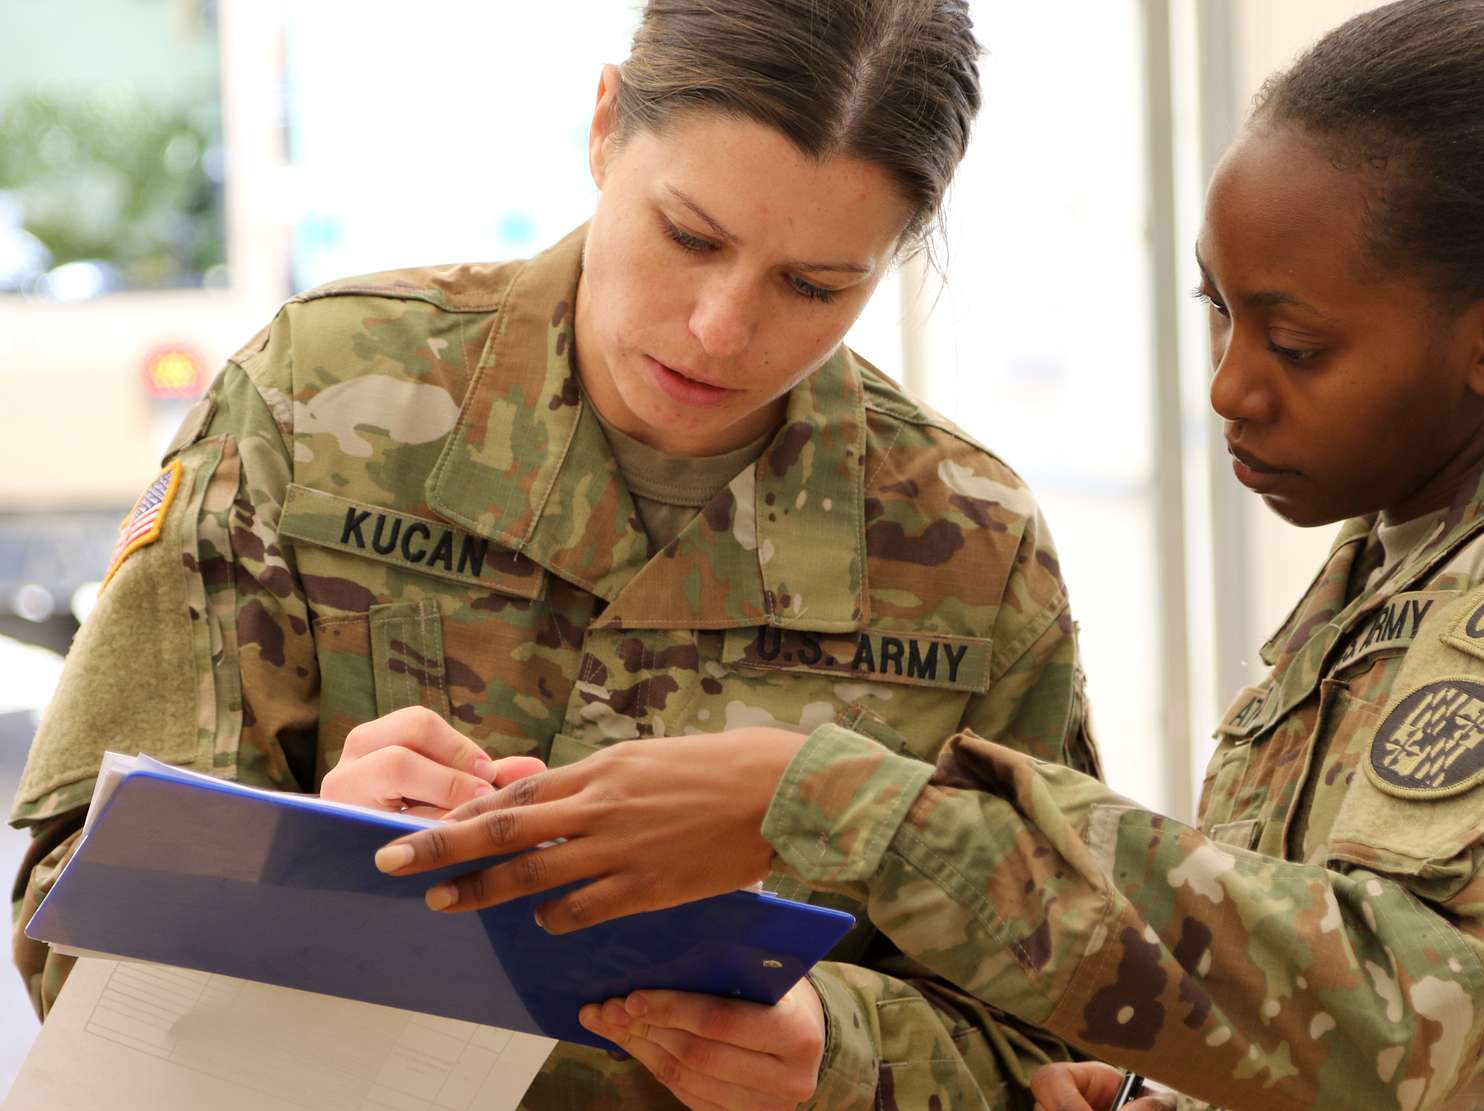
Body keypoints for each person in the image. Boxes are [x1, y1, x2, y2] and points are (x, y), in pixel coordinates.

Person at [373, 2, 1484, 1107]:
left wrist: (817, 800)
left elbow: (1387, 1018)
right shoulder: (1408, 548)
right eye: (1216, 311)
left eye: (1297, 342)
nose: (1228, 386)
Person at [8, 2, 1106, 1109]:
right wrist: (304, 867)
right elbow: (65, 918)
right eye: (690, 235)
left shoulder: (971, 551)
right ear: (602, 127)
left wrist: (841, 1049)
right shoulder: (321, 404)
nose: (721, 328)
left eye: (814, 285)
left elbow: (1067, 1038)